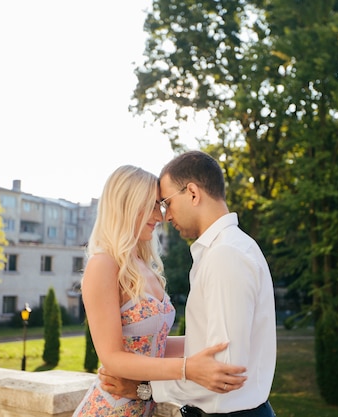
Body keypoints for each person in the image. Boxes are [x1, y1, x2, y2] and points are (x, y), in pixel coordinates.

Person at [100, 151, 277, 416]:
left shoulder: (225, 255)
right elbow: (209, 347)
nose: (165, 216)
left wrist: (144, 390)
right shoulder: (228, 249)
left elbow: (222, 373)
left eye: (167, 203)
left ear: (193, 193)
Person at [72, 165, 247, 417]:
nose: (161, 215)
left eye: (161, 205)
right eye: (153, 205)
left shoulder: (143, 265)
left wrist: (215, 345)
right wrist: (186, 369)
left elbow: (155, 343)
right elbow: (112, 358)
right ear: (127, 204)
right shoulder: (103, 265)